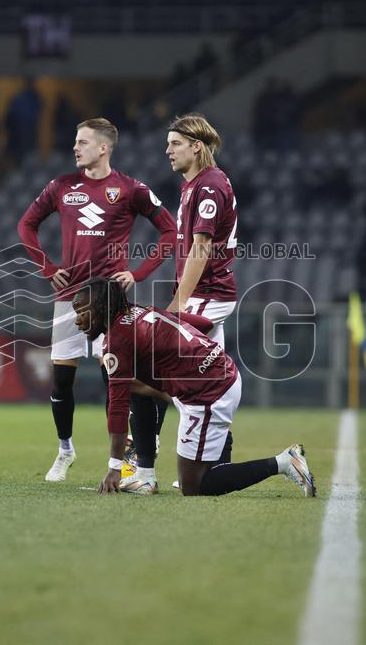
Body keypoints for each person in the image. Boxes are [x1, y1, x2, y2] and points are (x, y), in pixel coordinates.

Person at [17, 118, 176, 482]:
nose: (76, 147)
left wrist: (138, 273)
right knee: (60, 382)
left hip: (110, 302)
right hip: (69, 297)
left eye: (83, 142)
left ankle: (118, 462)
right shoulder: (61, 186)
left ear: (104, 148)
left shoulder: (130, 189)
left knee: (114, 380)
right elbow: (26, 224)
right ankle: (64, 450)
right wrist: (46, 266)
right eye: (75, 141)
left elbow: (170, 230)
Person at [72, 279, 316, 498]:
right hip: (221, 373)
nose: (77, 320)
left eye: (81, 311)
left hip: (208, 393)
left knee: (194, 486)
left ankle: (284, 463)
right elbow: (204, 322)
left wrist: (114, 468)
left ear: (102, 309)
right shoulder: (141, 310)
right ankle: (147, 473)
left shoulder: (116, 342)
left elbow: (117, 409)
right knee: (133, 384)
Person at [121, 113, 240, 487]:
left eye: (175, 143)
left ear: (196, 147)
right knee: (209, 382)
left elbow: (201, 249)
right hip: (203, 295)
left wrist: (178, 304)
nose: (167, 150)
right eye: (168, 143)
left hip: (206, 297)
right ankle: (216, 462)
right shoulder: (194, 185)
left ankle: (141, 467)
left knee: (144, 370)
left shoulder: (208, 187)